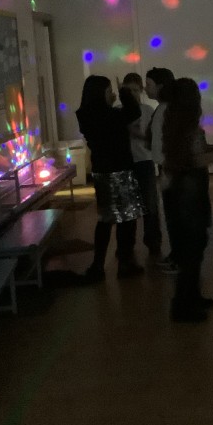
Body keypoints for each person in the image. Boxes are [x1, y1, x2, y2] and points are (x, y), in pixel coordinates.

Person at [162, 78, 213, 322]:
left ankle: (191, 297)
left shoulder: (175, 124)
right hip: (189, 192)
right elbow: (198, 159)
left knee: (193, 246)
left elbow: (198, 151)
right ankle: (182, 305)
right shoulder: (188, 128)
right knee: (193, 249)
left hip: (182, 190)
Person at [76, 75, 144, 281]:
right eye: (108, 91)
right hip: (121, 169)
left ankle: (98, 265)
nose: (111, 94)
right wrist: (124, 92)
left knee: (105, 219)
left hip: (101, 171)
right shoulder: (110, 115)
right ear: (100, 93)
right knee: (127, 218)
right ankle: (125, 262)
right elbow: (134, 112)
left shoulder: (85, 115)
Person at [122, 73, 162, 257]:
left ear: (140, 91)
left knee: (150, 205)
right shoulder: (119, 111)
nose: (132, 94)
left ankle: (153, 242)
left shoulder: (147, 111)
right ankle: (127, 245)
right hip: (127, 162)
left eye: (135, 90)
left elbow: (153, 137)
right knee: (128, 207)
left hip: (144, 161)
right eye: (129, 90)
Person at [145, 67, 178, 273]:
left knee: (174, 214)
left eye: (149, 84)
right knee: (172, 213)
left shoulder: (167, 110)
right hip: (166, 166)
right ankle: (176, 254)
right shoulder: (164, 109)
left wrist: (168, 169)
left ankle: (179, 257)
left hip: (169, 167)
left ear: (161, 86)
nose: (145, 88)